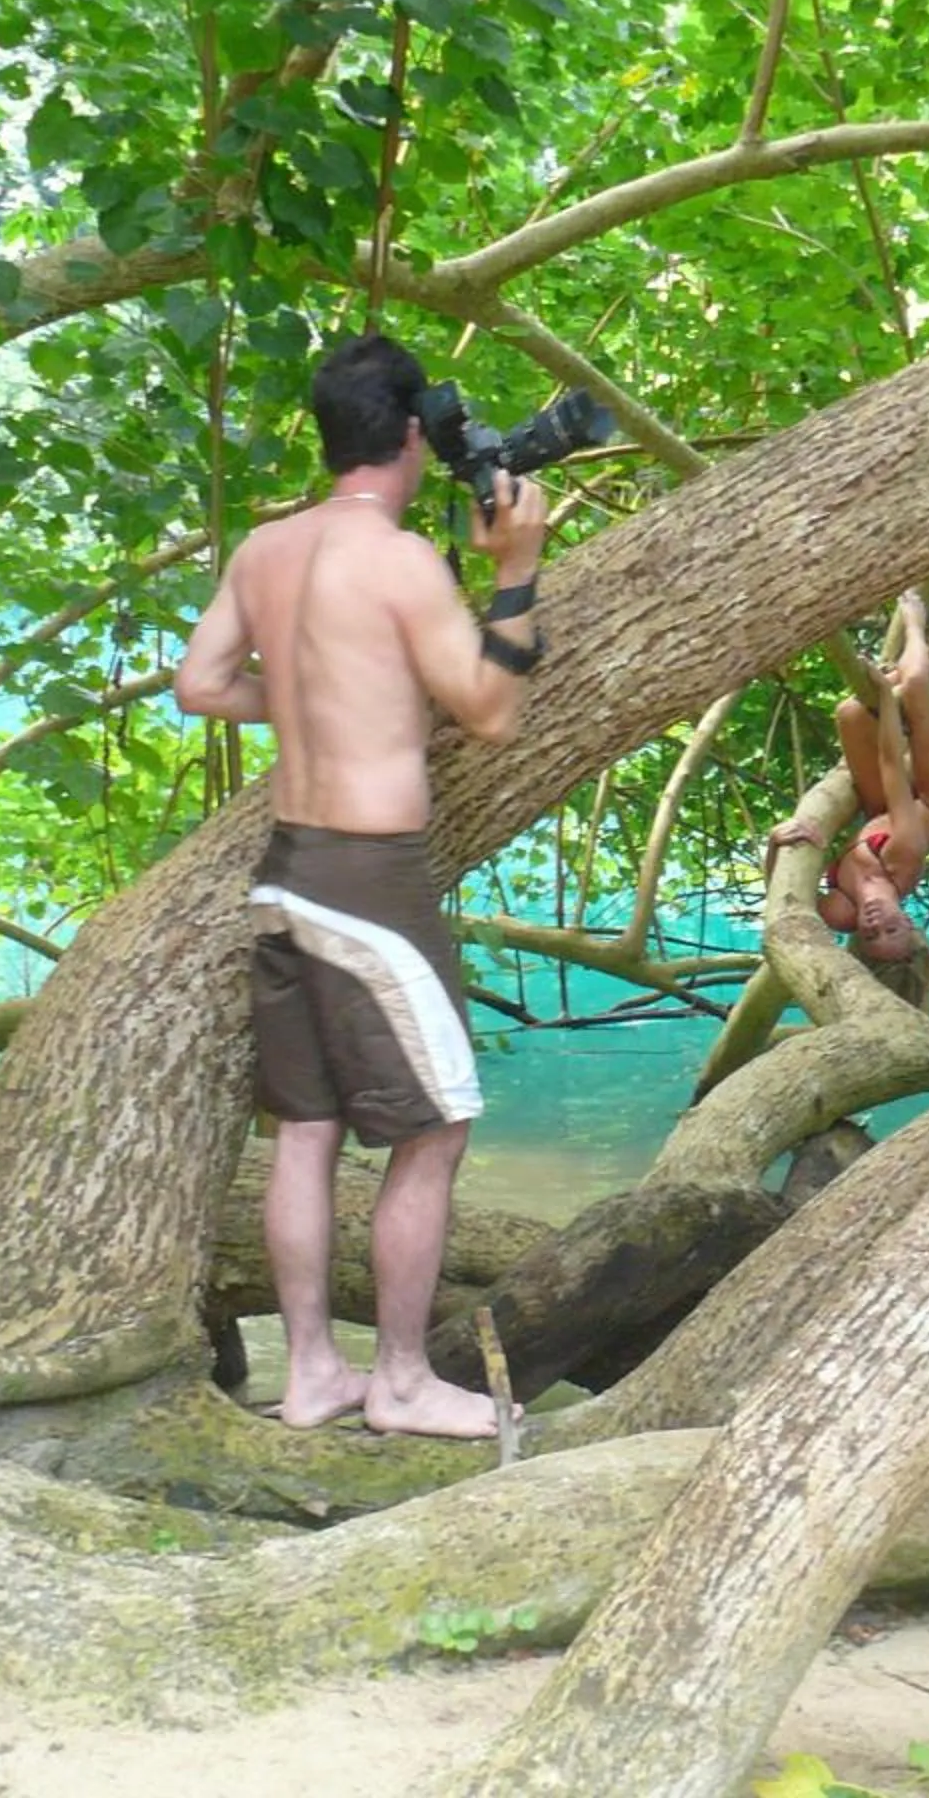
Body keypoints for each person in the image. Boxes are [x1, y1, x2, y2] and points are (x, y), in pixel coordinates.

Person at [173, 331, 550, 1439]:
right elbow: (490, 712)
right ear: (416, 436)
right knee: (436, 1131)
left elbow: (201, 685)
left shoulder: (265, 549)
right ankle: (398, 1379)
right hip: (369, 882)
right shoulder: (401, 560)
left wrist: (314, 701)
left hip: (287, 873)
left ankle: (310, 1374)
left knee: (307, 1130)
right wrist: (516, 573)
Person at [767, 590, 929, 1005]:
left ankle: (902, 674)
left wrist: (774, 843)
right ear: (909, 923)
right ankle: (916, 622)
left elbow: (782, 899)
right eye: (891, 929)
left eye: (871, 935)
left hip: (882, 813)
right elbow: (892, 764)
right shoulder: (905, 855)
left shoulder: (840, 912)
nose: (875, 923)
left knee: (850, 713)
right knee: (915, 686)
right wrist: (889, 700)